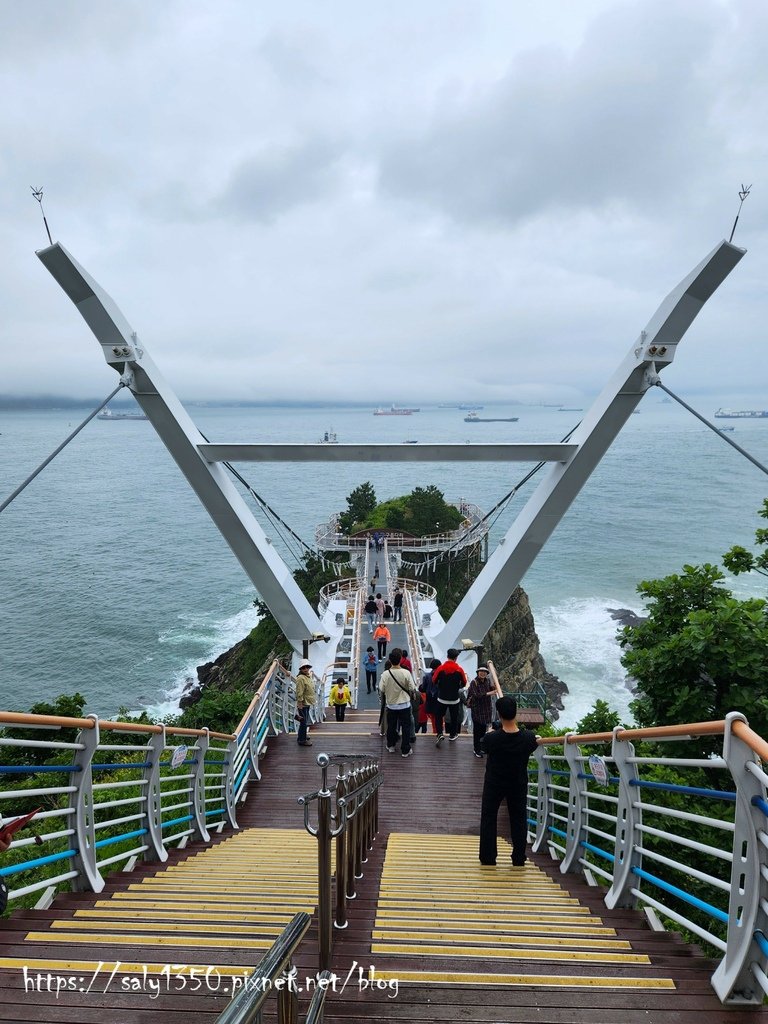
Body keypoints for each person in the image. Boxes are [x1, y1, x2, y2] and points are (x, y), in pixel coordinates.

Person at [479, 696, 538, 866]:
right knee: (519, 818)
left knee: (489, 816)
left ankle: (488, 857)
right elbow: (533, 744)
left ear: (499, 714)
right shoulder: (529, 738)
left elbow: (484, 747)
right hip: (518, 782)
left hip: (494, 782)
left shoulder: (492, 738)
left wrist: (491, 732)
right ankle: (518, 857)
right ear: (516, 712)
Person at [379, 647, 418, 757]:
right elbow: (411, 687)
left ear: (390, 661)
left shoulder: (385, 674)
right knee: (406, 727)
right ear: (400, 659)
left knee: (391, 726)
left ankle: (391, 746)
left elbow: (381, 688)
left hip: (391, 705)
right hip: (404, 704)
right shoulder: (406, 673)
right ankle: (405, 750)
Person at [432, 648, 468, 747]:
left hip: (442, 698)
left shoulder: (440, 668)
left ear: (447, 656)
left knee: (439, 716)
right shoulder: (459, 669)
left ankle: (439, 733)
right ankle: (452, 735)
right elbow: (464, 683)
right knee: (454, 717)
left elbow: (434, 680)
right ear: (456, 658)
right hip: (454, 699)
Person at [466, 665, 496, 758]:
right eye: (480, 671)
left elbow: (493, 688)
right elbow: (476, 696)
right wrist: (489, 693)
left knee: (483, 730)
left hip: (486, 709)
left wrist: (494, 680)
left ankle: (481, 747)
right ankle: (476, 749)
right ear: (477, 672)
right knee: (477, 731)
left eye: (484, 671)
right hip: (477, 710)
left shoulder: (487, 681)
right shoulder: (474, 682)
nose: (482, 673)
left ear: (487, 673)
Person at [295, 659, 316, 747]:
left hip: (307, 702)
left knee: (304, 720)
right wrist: (300, 703)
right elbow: (299, 691)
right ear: (300, 669)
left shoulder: (307, 676)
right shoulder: (301, 678)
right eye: (303, 667)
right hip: (303, 703)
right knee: (303, 722)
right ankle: (302, 740)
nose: (306, 669)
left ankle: (302, 736)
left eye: (307, 667)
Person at [419, 657, 441, 734]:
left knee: (433, 718)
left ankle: (435, 732)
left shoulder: (427, 676)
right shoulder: (442, 676)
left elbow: (423, 688)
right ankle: (439, 732)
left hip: (430, 701)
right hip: (440, 700)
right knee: (440, 718)